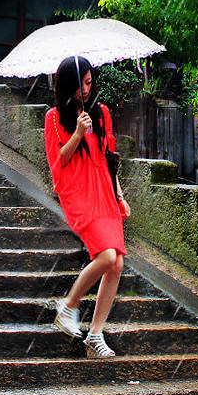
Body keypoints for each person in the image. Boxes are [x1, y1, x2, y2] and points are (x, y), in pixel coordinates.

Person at [44, 56, 131, 358]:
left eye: (89, 83)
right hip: (79, 190)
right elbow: (59, 160)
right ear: (66, 85)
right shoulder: (54, 117)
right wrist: (79, 133)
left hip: (105, 190)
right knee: (106, 256)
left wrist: (120, 195)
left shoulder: (102, 113)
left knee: (116, 263)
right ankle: (68, 305)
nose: (85, 89)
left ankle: (95, 335)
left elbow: (109, 158)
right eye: (80, 84)